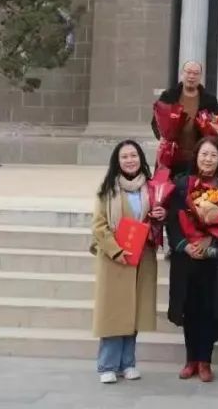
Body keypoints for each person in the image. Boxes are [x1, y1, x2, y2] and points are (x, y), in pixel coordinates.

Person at [90, 140, 164, 384]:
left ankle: (128, 363)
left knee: (134, 313)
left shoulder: (151, 189)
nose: (130, 160)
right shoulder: (107, 190)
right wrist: (115, 250)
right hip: (115, 260)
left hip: (141, 257)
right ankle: (107, 365)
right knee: (113, 313)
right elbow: (99, 225)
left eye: (134, 155)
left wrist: (160, 215)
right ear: (117, 161)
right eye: (124, 156)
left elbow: (155, 221)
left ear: (141, 159)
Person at [165, 137, 218, 383]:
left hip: (212, 261)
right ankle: (190, 360)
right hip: (186, 259)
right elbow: (173, 220)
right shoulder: (182, 185)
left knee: (208, 310)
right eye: (204, 154)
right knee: (190, 309)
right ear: (196, 157)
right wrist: (185, 246)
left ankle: (205, 361)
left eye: (213, 155)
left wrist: (210, 241)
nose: (208, 159)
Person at [152, 61, 218, 175]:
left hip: (198, 158)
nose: (191, 76)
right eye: (188, 72)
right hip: (170, 156)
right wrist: (162, 137)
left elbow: (215, 125)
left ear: (200, 76)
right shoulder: (169, 96)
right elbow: (155, 122)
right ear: (182, 74)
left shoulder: (210, 100)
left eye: (196, 73)